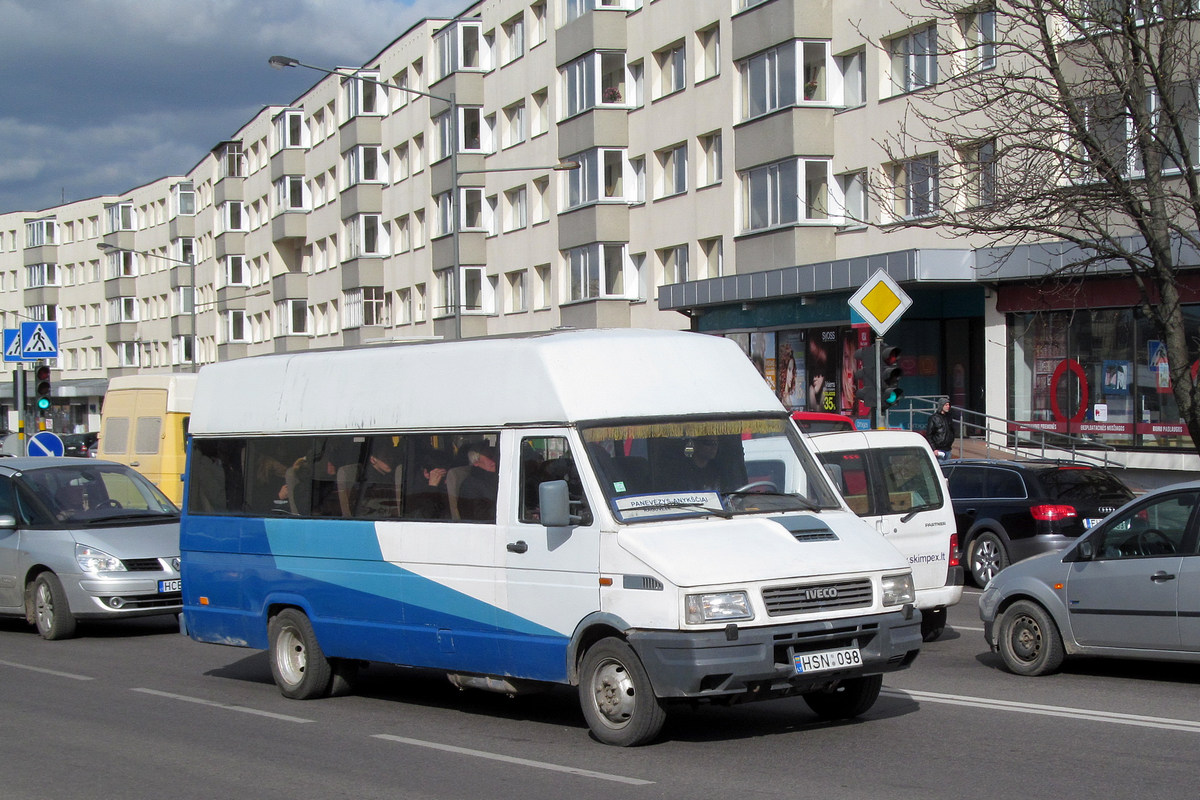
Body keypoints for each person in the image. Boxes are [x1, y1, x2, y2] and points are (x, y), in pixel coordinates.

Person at [457, 442, 499, 522]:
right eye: (489, 457)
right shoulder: (470, 485)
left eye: (494, 455)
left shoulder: (499, 477)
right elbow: (477, 517)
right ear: (476, 463)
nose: (494, 460)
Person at [407, 449, 452, 520]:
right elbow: (427, 516)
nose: (447, 481)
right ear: (426, 473)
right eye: (443, 476)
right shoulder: (415, 491)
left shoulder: (449, 487)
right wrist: (433, 487)